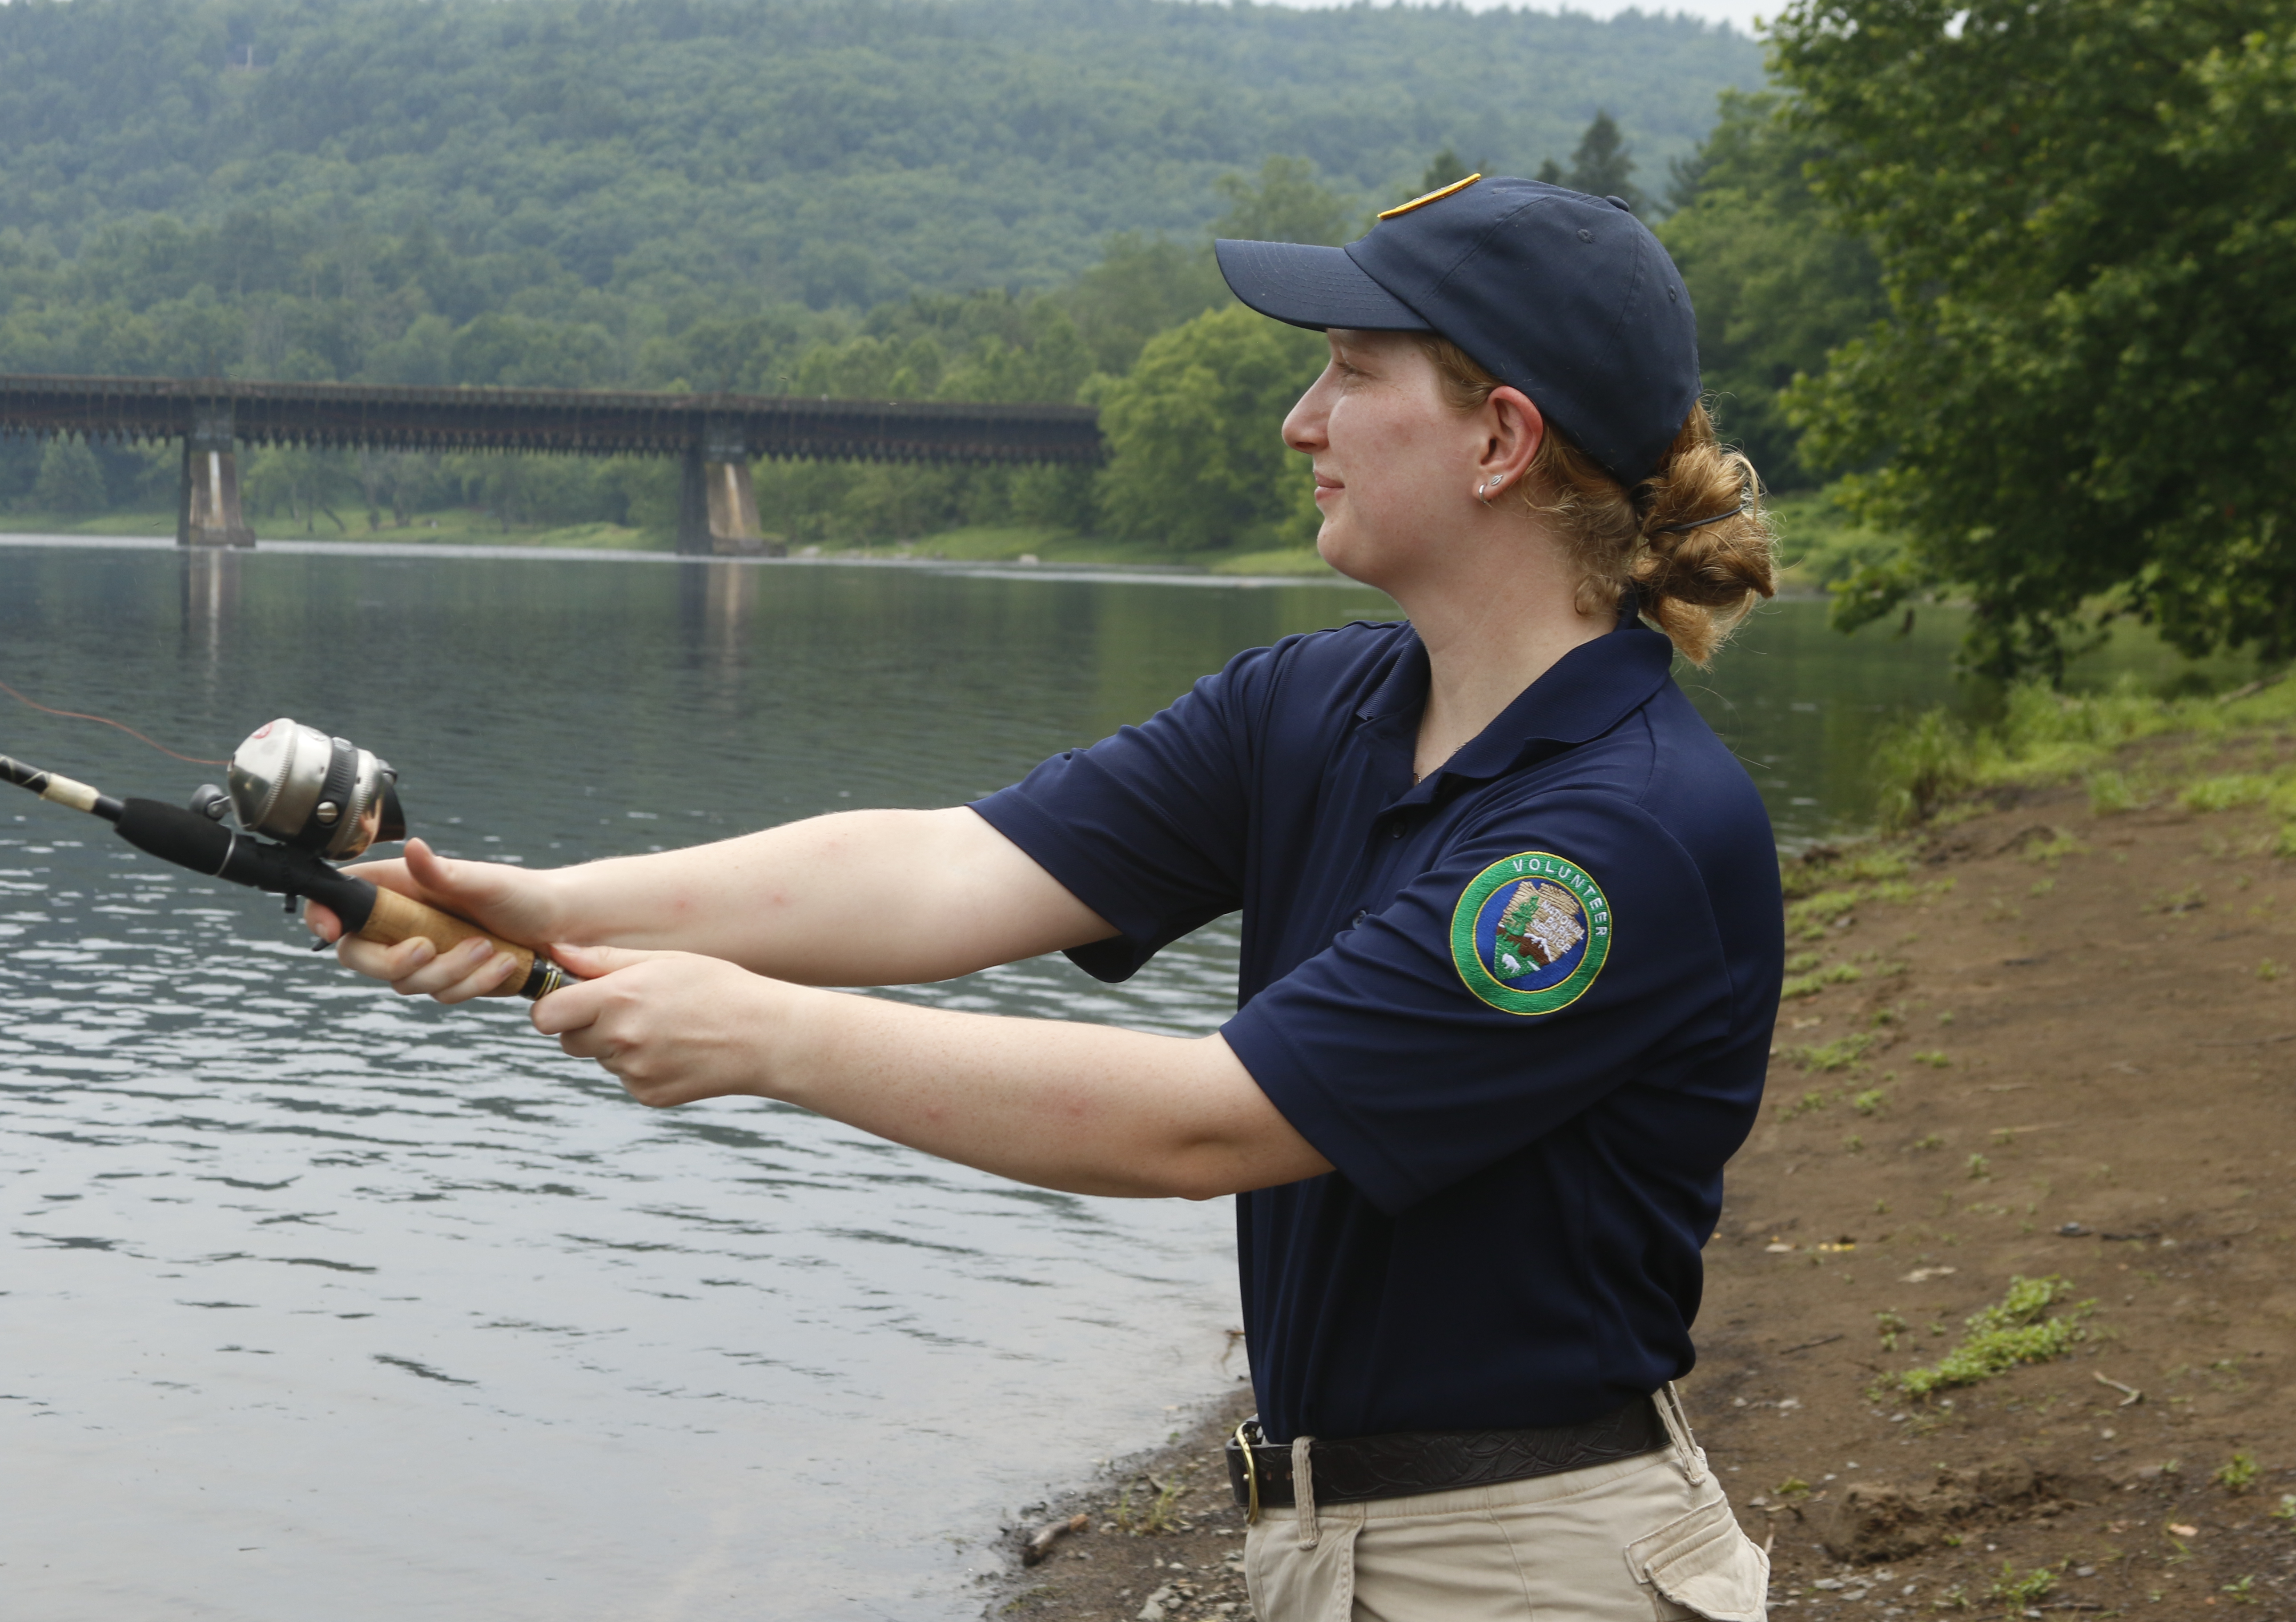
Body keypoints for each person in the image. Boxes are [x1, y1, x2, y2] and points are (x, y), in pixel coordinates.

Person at [312, 173, 1784, 1622]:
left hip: (1533, 1571)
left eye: (1348, 373)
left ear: (1501, 440)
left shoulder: (1607, 841)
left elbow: (1210, 1120)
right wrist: (553, 903)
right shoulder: (1316, 706)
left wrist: (768, 1040)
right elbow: (949, 867)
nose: (1302, 421)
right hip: (1342, 1548)